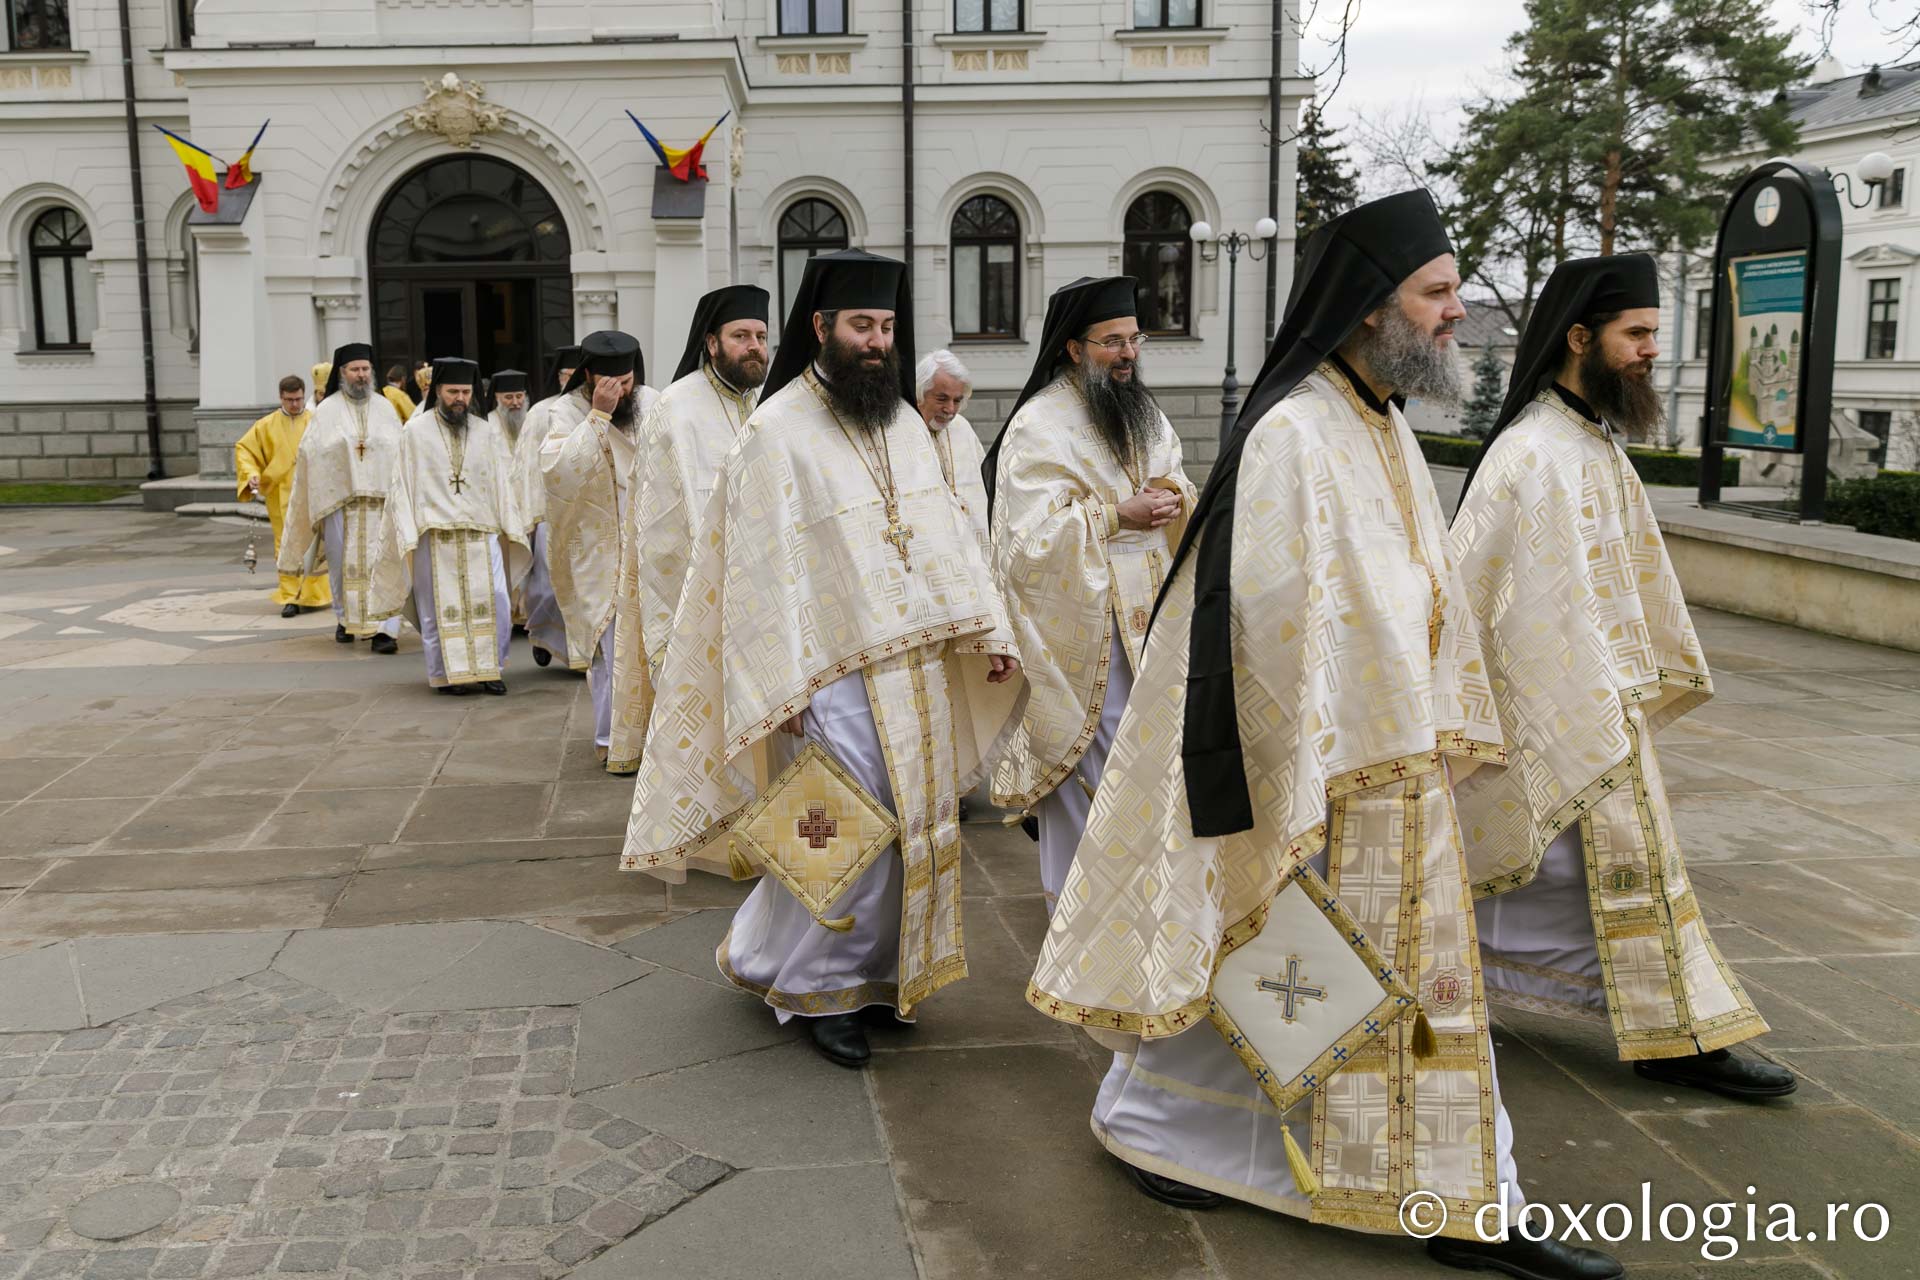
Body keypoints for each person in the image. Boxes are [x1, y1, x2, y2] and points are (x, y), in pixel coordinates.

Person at [1025, 192, 1621, 1280]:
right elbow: (1264, 623)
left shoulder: (1381, 419)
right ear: (1365, 309)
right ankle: (1444, 1188)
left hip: (1391, 758)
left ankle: (1173, 1123)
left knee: (1288, 973)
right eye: (1436, 292)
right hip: (1327, 769)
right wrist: (1323, 765)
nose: (1455, 312)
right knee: (1302, 969)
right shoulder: (1295, 432)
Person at [619, 250, 1023, 1070]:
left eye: (886, 328)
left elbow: (945, 534)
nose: (876, 342)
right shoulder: (777, 430)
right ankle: (816, 988)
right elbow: (759, 570)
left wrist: (989, 630)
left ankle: (877, 975)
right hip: (828, 673)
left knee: (915, 830)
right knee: (844, 830)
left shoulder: (906, 421)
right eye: (860, 326)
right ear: (822, 328)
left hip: (912, 669)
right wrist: (781, 686)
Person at [1450, 254, 1790, 1101]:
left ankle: (1670, 1024)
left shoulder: (1589, 440)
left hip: (1602, 694)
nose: (1647, 351)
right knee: (1587, 865)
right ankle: (1670, 1032)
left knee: (1598, 872)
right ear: (1578, 337)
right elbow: (1478, 592)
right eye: (1635, 334)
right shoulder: (1530, 452)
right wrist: (1559, 689)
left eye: (1651, 336)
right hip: (1553, 703)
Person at [979, 280, 1195, 911]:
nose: (1128, 353)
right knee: (1091, 788)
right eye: (1112, 342)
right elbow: (1025, 544)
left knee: (1152, 781)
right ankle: (1082, 923)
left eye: (1134, 339)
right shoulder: (1039, 425)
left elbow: (1176, 475)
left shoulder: (1146, 413)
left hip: (1151, 634)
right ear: (1074, 348)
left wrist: (1175, 498)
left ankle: (1147, 918)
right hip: (1084, 647)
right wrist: (1112, 516)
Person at [606, 285, 769, 776]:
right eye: (741, 335)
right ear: (712, 342)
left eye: (762, 335)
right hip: (699, 592)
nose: (755, 346)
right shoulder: (676, 407)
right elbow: (659, 520)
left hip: (760, 586)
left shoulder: (765, 402)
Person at [369, 357, 530, 695]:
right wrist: (408, 531)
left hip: (481, 531)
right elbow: (403, 483)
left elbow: (500, 480)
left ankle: (491, 669)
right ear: (438, 391)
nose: (460, 398)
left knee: (496, 600)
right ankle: (447, 674)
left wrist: (511, 525)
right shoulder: (415, 431)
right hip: (435, 534)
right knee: (438, 608)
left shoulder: (485, 432)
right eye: (452, 391)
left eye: (465, 392)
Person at [539, 332, 652, 763]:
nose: (620, 391)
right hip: (596, 549)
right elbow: (558, 475)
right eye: (609, 383)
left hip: (648, 545)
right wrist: (598, 417)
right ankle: (612, 741)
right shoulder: (565, 412)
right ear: (588, 377)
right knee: (610, 648)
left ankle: (652, 740)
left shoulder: (652, 402)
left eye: (626, 382)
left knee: (650, 644)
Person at [276, 343, 406, 653]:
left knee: (385, 563)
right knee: (341, 566)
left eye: (365, 370)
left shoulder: (385, 408)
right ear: (342, 373)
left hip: (381, 504)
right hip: (340, 503)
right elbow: (312, 452)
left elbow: (399, 449)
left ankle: (385, 630)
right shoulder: (327, 410)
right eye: (355, 370)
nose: (361, 375)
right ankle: (345, 617)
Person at [235, 374, 331, 618]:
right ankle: (290, 596)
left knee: (314, 544)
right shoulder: (266, 425)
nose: (295, 405)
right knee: (285, 544)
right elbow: (245, 450)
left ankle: (314, 594)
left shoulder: (317, 421)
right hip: (280, 496)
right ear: (281, 398)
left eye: (299, 399)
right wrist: (251, 474)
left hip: (312, 493)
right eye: (290, 400)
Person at [509, 344, 586, 645]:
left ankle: (580, 653)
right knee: (547, 585)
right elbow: (526, 465)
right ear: (559, 377)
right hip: (549, 511)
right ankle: (544, 636)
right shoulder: (542, 412)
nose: (572, 381)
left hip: (586, 512)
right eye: (568, 375)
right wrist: (528, 511)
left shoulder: (597, 410)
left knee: (584, 584)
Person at [915, 349, 992, 548]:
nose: (950, 410)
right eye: (941, 399)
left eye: (957, 400)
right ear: (919, 393)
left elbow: (985, 486)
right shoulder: (904, 432)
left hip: (975, 543)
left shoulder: (962, 427)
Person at [488, 369, 530, 447]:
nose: (515, 402)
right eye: (508, 397)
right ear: (497, 397)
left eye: (519, 396)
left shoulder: (531, 420)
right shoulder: (488, 424)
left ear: (524, 395)